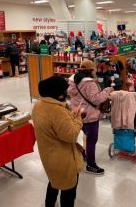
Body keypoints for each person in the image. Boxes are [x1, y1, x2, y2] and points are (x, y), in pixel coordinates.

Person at [31, 76, 84, 207]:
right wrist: (78, 118)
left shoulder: (38, 106)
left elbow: (55, 125)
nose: (67, 93)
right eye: (64, 90)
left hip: (48, 155)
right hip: (64, 160)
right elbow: (71, 135)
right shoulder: (57, 110)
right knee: (68, 192)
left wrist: (71, 115)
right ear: (58, 93)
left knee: (53, 182)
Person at [68, 60, 114, 175]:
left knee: (85, 136)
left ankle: (84, 155)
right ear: (90, 70)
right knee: (91, 140)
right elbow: (96, 99)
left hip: (78, 113)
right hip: (90, 115)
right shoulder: (89, 83)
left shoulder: (72, 79)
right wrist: (107, 90)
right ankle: (91, 165)